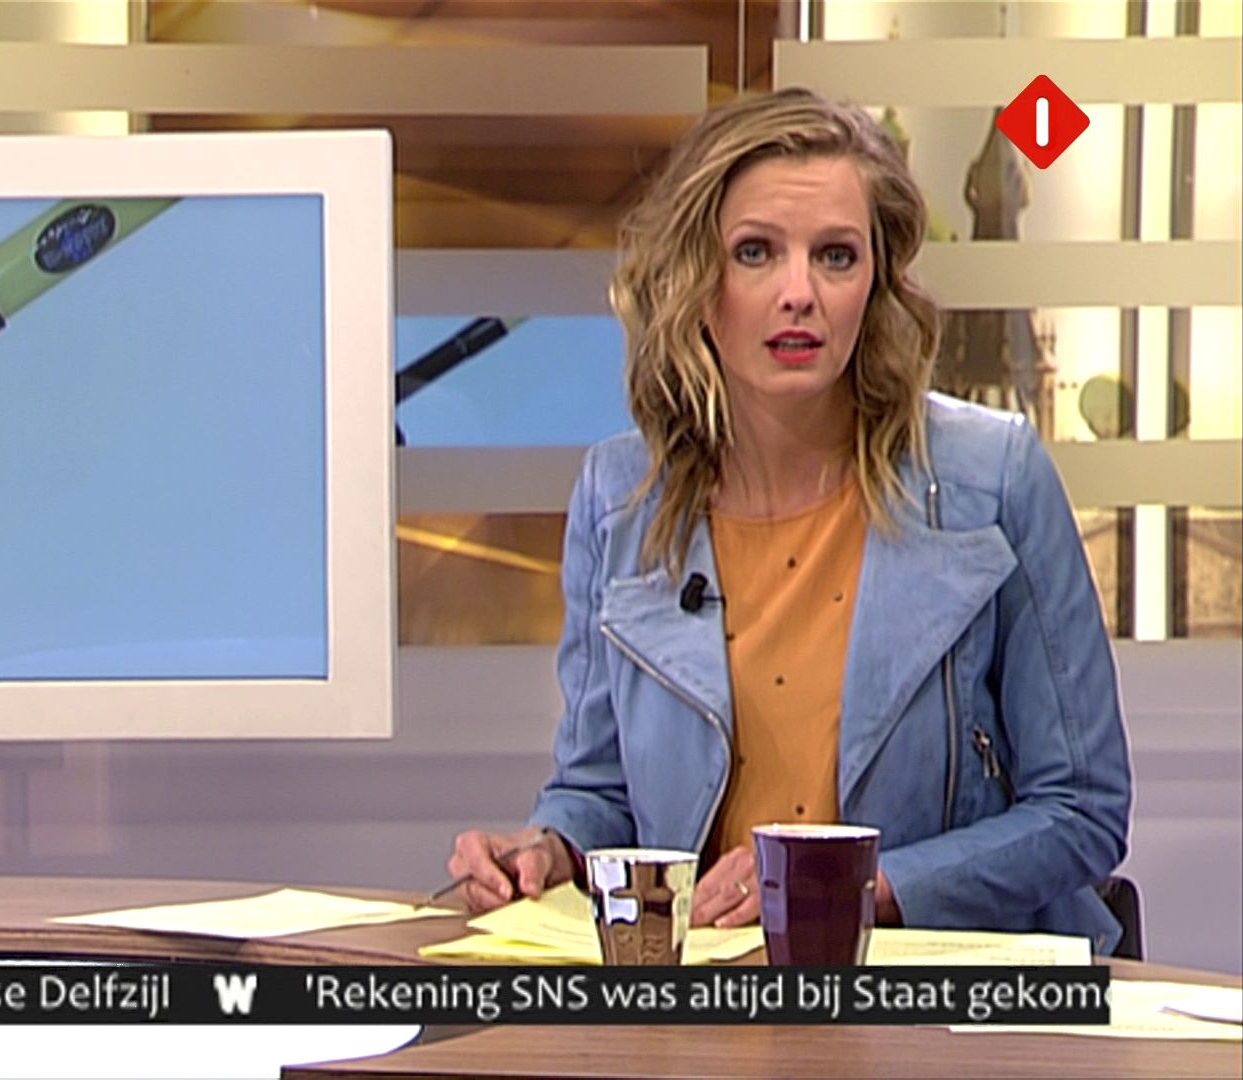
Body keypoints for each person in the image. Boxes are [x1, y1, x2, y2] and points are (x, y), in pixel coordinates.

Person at [446, 87, 1133, 954]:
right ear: (697, 281)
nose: (798, 292)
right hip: (711, 993)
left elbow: (1080, 811)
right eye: (756, 253)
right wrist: (548, 848)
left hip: (938, 995)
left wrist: (858, 889)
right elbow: (601, 792)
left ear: (876, 282)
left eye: (836, 256)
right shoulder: (621, 498)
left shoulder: (991, 480)